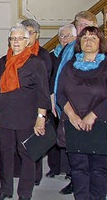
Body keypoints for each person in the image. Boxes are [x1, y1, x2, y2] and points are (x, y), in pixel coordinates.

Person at [0, 25, 50, 200]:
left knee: (27, 155)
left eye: (20, 38)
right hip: (5, 115)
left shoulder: (36, 62)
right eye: (12, 38)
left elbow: (43, 92)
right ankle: (5, 189)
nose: (16, 42)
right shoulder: (3, 61)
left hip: (27, 116)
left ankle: (25, 193)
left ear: (27, 41)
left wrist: (41, 118)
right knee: (5, 153)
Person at [56, 26, 107, 200]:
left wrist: (93, 115)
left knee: (98, 170)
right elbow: (61, 94)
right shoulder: (70, 66)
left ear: (100, 42)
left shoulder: (106, 65)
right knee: (78, 169)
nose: (88, 41)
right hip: (75, 124)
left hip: (100, 124)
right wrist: (72, 115)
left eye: (93, 38)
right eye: (84, 38)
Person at [19, 19, 53, 186]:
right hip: (20, 105)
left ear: (36, 35)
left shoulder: (42, 55)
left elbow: (43, 83)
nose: (26, 35)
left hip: (36, 104)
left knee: (34, 143)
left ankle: (35, 176)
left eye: (30, 32)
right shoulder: (15, 53)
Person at [44, 24, 76, 180]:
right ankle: (54, 167)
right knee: (54, 135)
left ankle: (69, 170)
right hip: (53, 99)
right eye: (62, 36)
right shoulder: (53, 55)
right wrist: (51, 96)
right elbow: (50, 77)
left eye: (68, 36)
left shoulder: (75, 55)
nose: (65, 39)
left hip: (69, 101)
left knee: (68, 137)